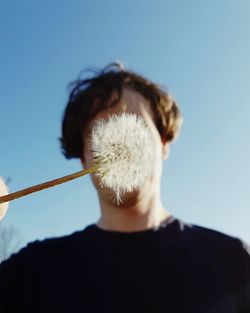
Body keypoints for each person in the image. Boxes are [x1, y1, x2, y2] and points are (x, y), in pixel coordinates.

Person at [0, 62, 249, 313]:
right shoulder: (32, 273)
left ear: (163, 142)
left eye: (132, 125)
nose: (116, 144)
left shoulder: (234, 261)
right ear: (84, 159)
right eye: (99, 133)